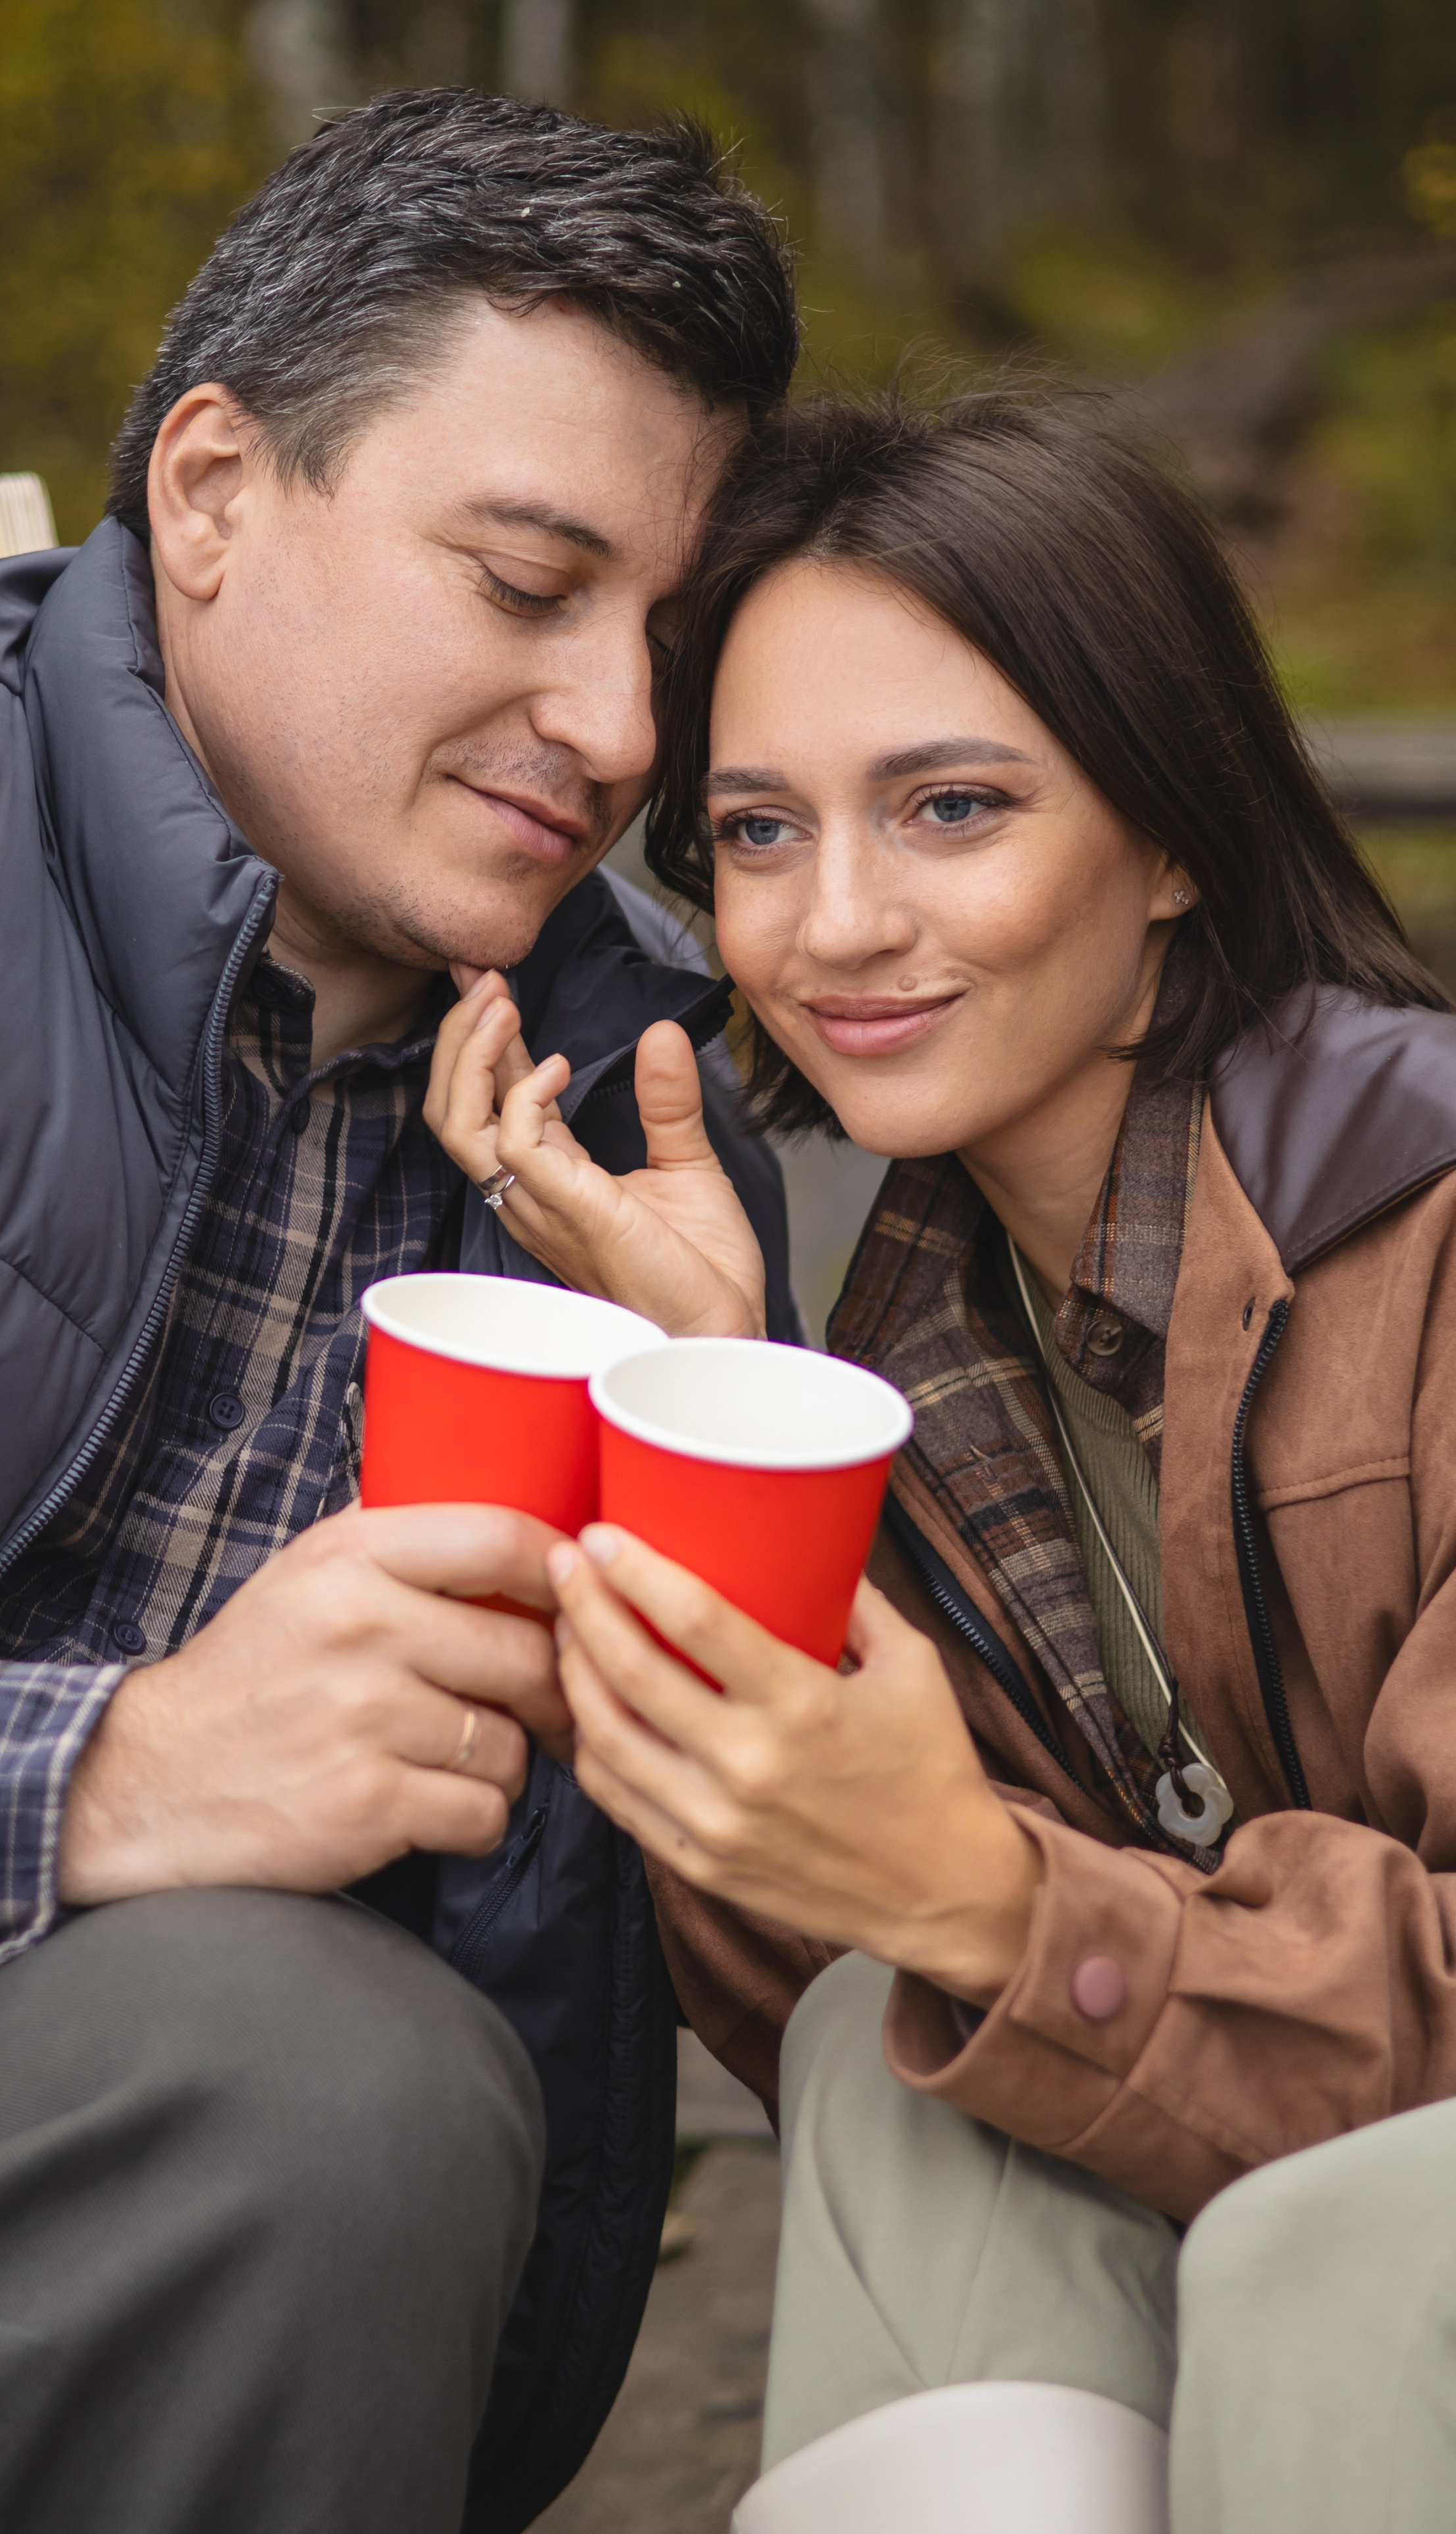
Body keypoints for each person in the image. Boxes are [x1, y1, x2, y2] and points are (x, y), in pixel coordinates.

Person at [0, 88, 802, 2534]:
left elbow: (635, 1979)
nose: (631, 734)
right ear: (213, 495)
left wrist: (722, 1437)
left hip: (106, 2203)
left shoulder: (625, 1135)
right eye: (527, 583)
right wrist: (103, 1774)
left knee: (323, 2084)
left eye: (669, 639)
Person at [427, 392, 1456, 2529]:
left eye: (953, 807)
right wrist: (720, 1412)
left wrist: (995, 1899)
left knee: (1337, 2243)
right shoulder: (929, 1341)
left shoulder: (1430, 1238)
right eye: (763, 832)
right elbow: (841, 1973)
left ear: (1172, 833)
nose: (837, 928)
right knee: (888, 2080)